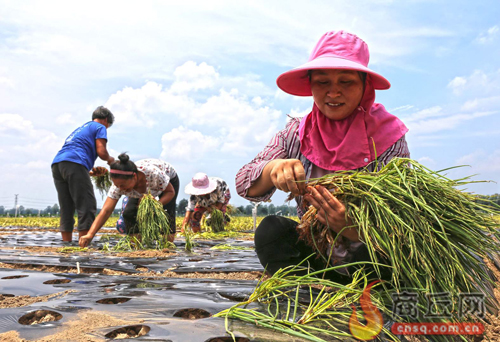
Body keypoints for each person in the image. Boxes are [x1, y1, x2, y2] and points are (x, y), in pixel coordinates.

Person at [235, 31, 410, 283]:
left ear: (364, 85)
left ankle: (367, 291)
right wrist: (273, 169)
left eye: (346, 82)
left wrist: (352, 228)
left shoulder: (388, 138)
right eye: (322, 82)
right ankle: (309, 287)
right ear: (310, 86)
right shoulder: (296, 132)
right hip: (315, 255)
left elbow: (400, 217)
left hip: (369, 255)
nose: (333, 92)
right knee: (271, 231)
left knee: (394, 258)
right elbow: (244, 183)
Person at [79, 153, 179, 247]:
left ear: (134, 177)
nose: (120, 188)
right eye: (117, 185)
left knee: (167, 213)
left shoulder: (154, 174)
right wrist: (90, 235)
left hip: (168, 181)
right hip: (141, 188)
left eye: (122, 185)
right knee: (129, 213)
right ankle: (136, 245)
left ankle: (167, 246)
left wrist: (155, 205)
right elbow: (106, 211)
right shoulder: (118, 186)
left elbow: (170, 192)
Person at [52, 106, 115, 242]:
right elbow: (102, 152)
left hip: (58, 164)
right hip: (74, 163)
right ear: (105, 120)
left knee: (66, 206)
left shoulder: (82, 128)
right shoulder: (100, 127)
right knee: (87, 204)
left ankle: (66, 243)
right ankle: (84, 242)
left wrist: (90, 173)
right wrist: (111, 161)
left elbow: (72, 162)